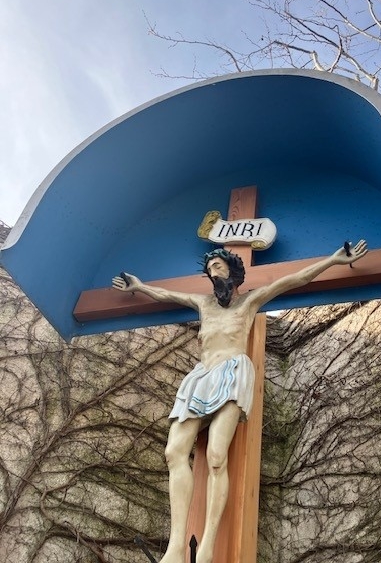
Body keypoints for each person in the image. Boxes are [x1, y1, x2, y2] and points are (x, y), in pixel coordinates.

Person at [112, 240, 367, 563]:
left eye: (218, 267)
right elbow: (166, 295)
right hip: (201, 376)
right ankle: (175, 549)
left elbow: (293, 280)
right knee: (174, 452)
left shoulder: (249, 302)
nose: (213, 273)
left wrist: (332, 260)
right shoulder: (203, 303)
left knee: (217, 457)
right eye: (209, 270)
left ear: (232, 271)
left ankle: (206, 547)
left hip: (232, 372)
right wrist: (139, 287)